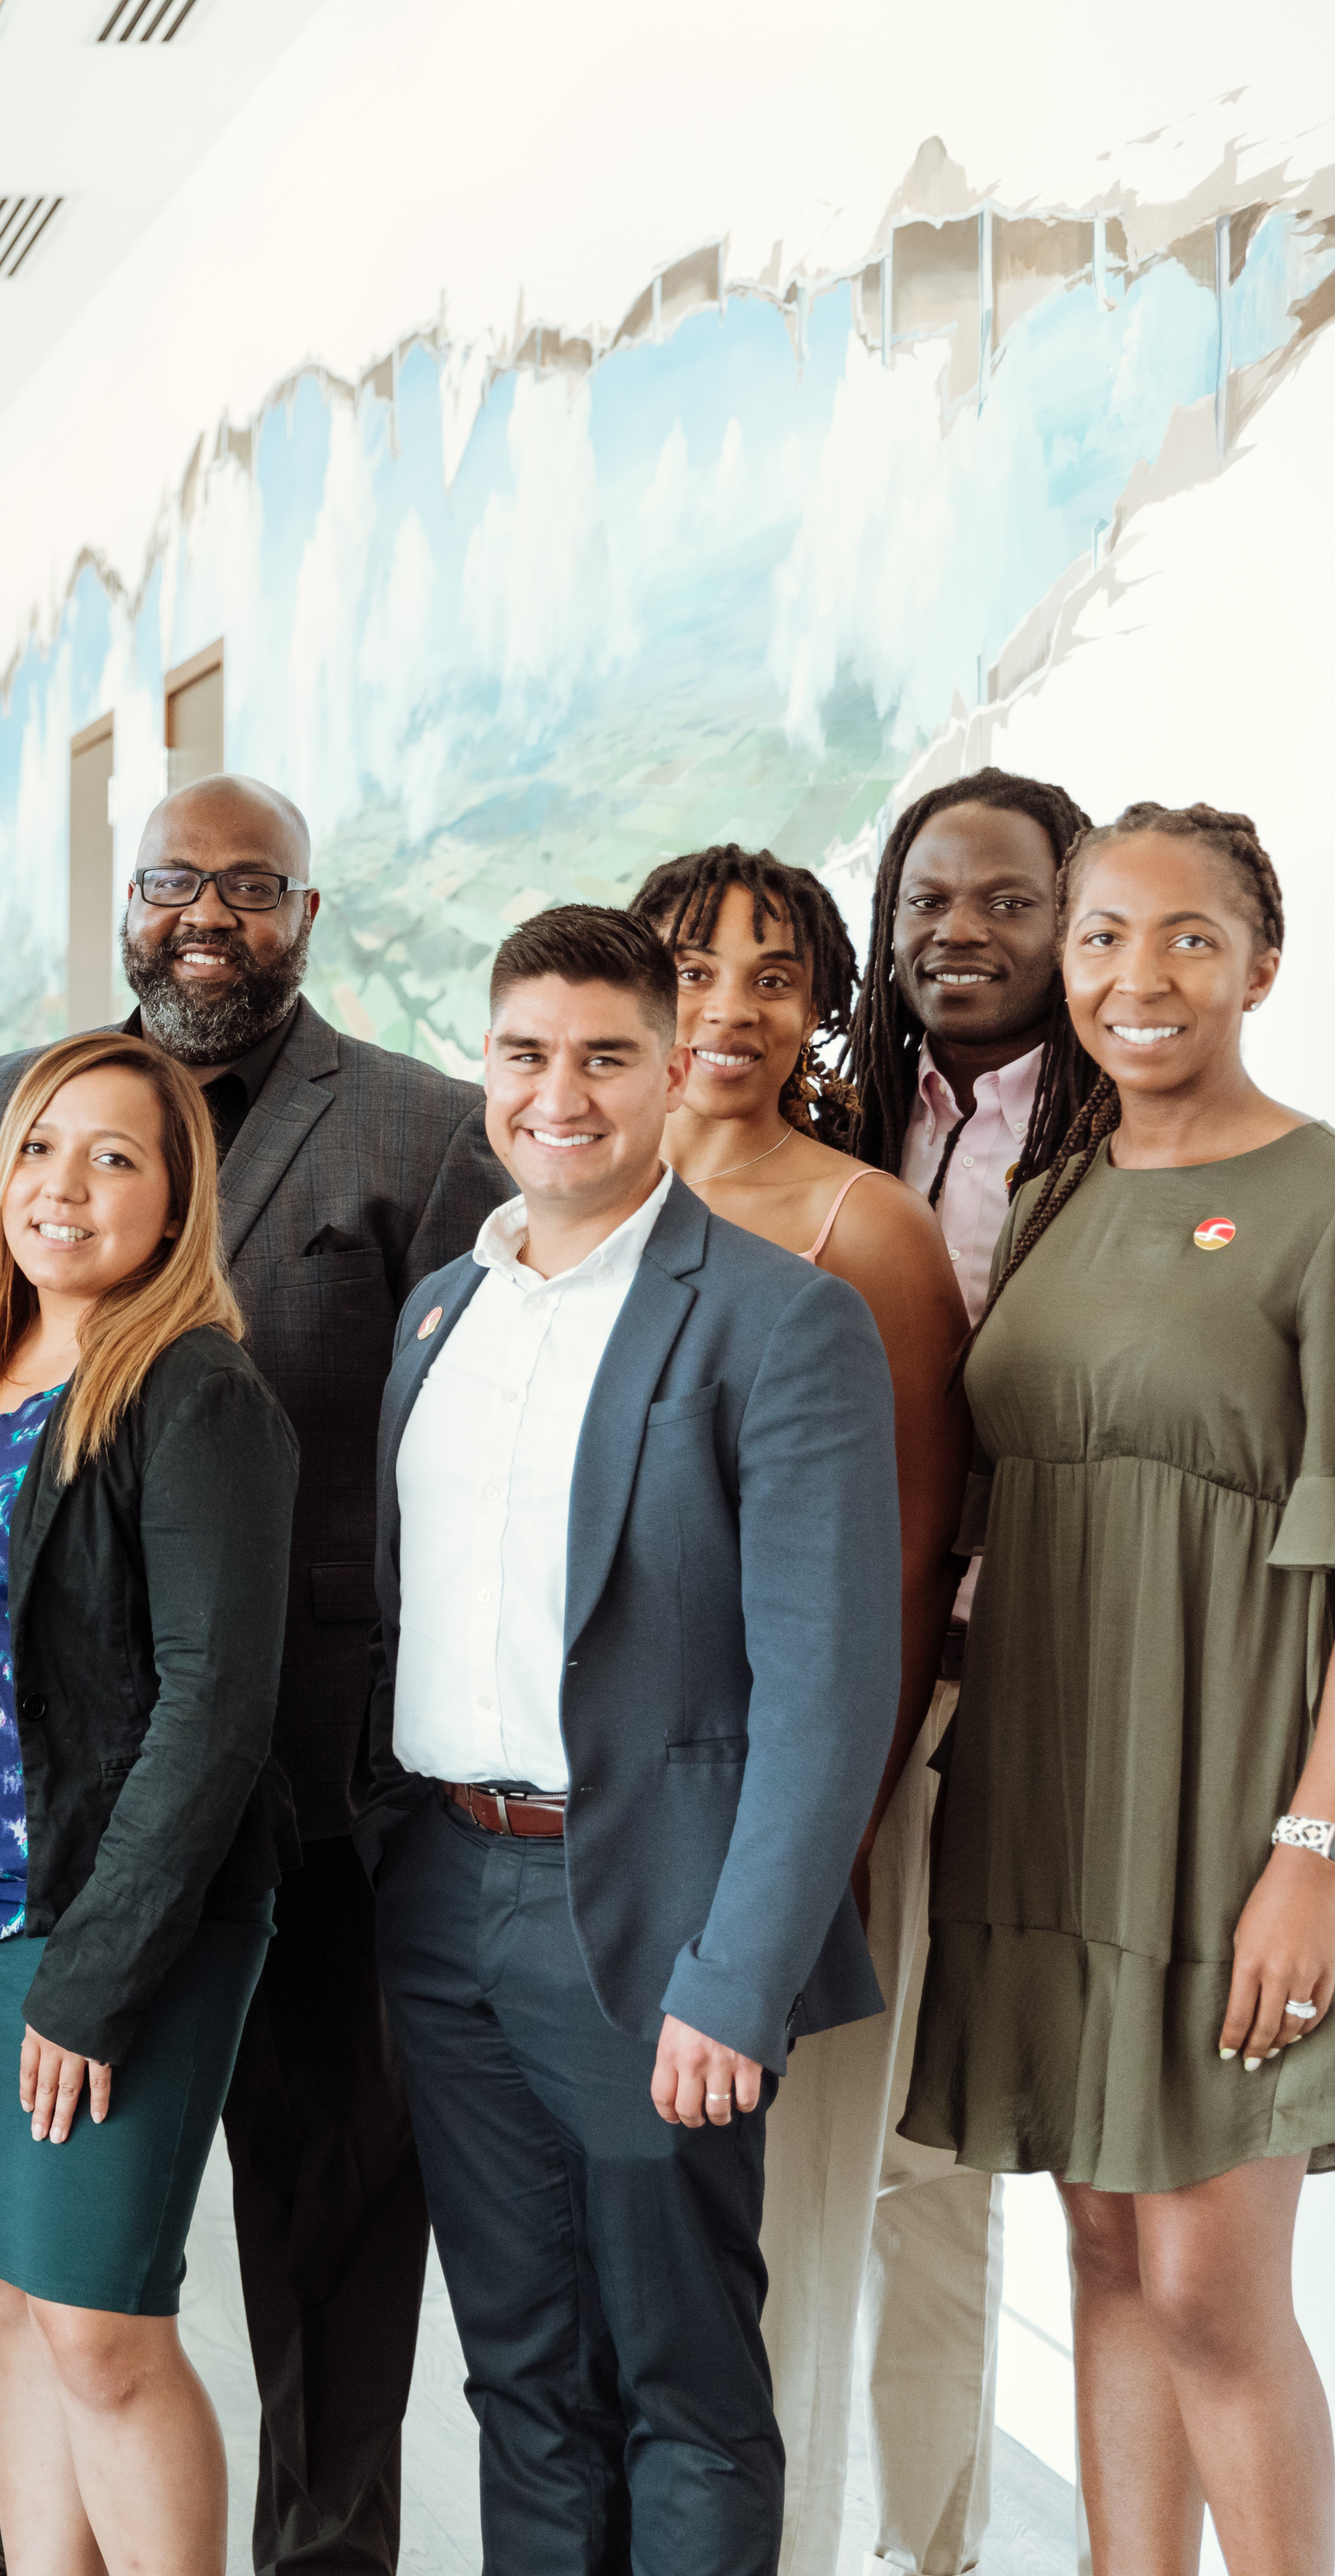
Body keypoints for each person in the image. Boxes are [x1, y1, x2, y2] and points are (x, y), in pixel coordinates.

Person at [0, 772, 501, 2576]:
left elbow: (452, 1478)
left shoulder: (423, 1131)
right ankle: (29, 2544)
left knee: (319, 2237)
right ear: (126, 898)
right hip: (6, 1836)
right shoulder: (5, 1106)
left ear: (308, 911)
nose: (206, 915)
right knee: (36, 2277)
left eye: (251, 884)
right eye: (172, 881)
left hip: (295, 1803)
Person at [362, 902, 898, 2572]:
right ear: (487, 1070)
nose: (562, 1094)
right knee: (522, 2377)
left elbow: (829, 1688)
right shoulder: (443, 1311)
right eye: (527, 1055)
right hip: (446, 1899)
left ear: (675, 1072)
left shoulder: (778, 1319)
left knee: (684, 2383)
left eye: (607, 1057)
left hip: (652, 1920)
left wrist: (737, 1977)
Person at [905, 805, 1335, 2576]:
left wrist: (1314, 1845)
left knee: (1211, 2289)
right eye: (1099, 937)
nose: (1134, 977)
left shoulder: (1321, 1195)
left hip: (1232, 1811)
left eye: (1184, 938)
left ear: (1260, 962)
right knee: (1098, 2255)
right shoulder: (1064, 1188)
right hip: (1051, 1788)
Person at [0, 1029, 297, 2576]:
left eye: (118, 1157)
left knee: (104, 2329)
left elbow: (215, 1709)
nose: (67, 1184)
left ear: (176, 1203)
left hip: (116, 1933)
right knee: (11, 2298)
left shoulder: (195, 1395)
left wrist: (98, 1979)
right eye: (42, 1148)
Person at [624, 845, 977, 2576]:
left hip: (795, 1820)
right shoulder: (548, 1198)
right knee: (618, 2257)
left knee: (787, 2243)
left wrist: (823, 1844)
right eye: (695, 971)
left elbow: (907, 1570)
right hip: (600, 1816)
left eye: (776, 977)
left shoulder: (867, 1228)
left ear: (822, 1009)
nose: (732, 1012)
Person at [810, 766, 1099, 2572]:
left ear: (1072, 913)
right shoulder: (839, 1128)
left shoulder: (1131, 1133)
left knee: (979, 2171)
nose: (960, 932)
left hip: (1064, 1691)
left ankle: (942, 2553)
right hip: (868, 1689)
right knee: (880, 2145)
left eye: (1004, 898)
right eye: (927, 898)